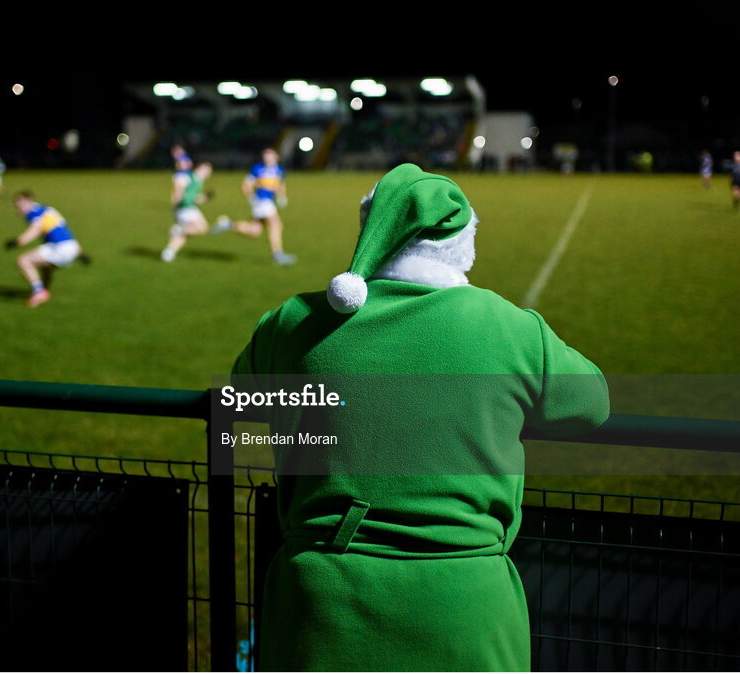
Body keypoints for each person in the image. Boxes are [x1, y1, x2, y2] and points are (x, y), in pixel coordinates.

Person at [229, 163, 609, 671]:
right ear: (462, 243)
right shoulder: (511, 328)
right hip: (464, 610)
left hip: (318, 605)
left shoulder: (293, 322)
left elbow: (242, 395)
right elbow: (593, 406)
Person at [212, 147, 296, 265]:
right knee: (276, 224)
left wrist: (282, 196)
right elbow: (246, 185)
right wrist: (252, 197)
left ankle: (228, 224)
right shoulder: (258, 169)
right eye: (266, 155)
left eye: (270, 155)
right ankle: (277, 255)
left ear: (276, 156)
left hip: (269, 202)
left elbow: (280, 185)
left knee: (254, 231)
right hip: (261, 201)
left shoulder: (280, 170)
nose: (267, 157)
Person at [5, 190, 89, 307]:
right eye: (16, 206)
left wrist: (18, 241)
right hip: (71, 248)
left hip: (60, 249)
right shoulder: (46, 210)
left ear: (30, 202)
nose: (18, 209)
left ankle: (39, 292)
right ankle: (45, 290)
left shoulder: (34, 213)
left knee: (23, 260)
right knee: (46, 267)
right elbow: (65, 232)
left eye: (20, 205)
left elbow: (36, 229)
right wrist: (80, 253)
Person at [160, 161, 218, 262]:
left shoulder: (199, 180)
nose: (209, 173)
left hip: (189, 207)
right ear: (201, 168)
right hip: (184, 208)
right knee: (203, 228)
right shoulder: (188, 177)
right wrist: (178, 201)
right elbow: (178, 190)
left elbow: (195, 198)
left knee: (186, 234)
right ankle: (178, 229)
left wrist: (206, 197)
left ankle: (169, 252)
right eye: (208, 170)